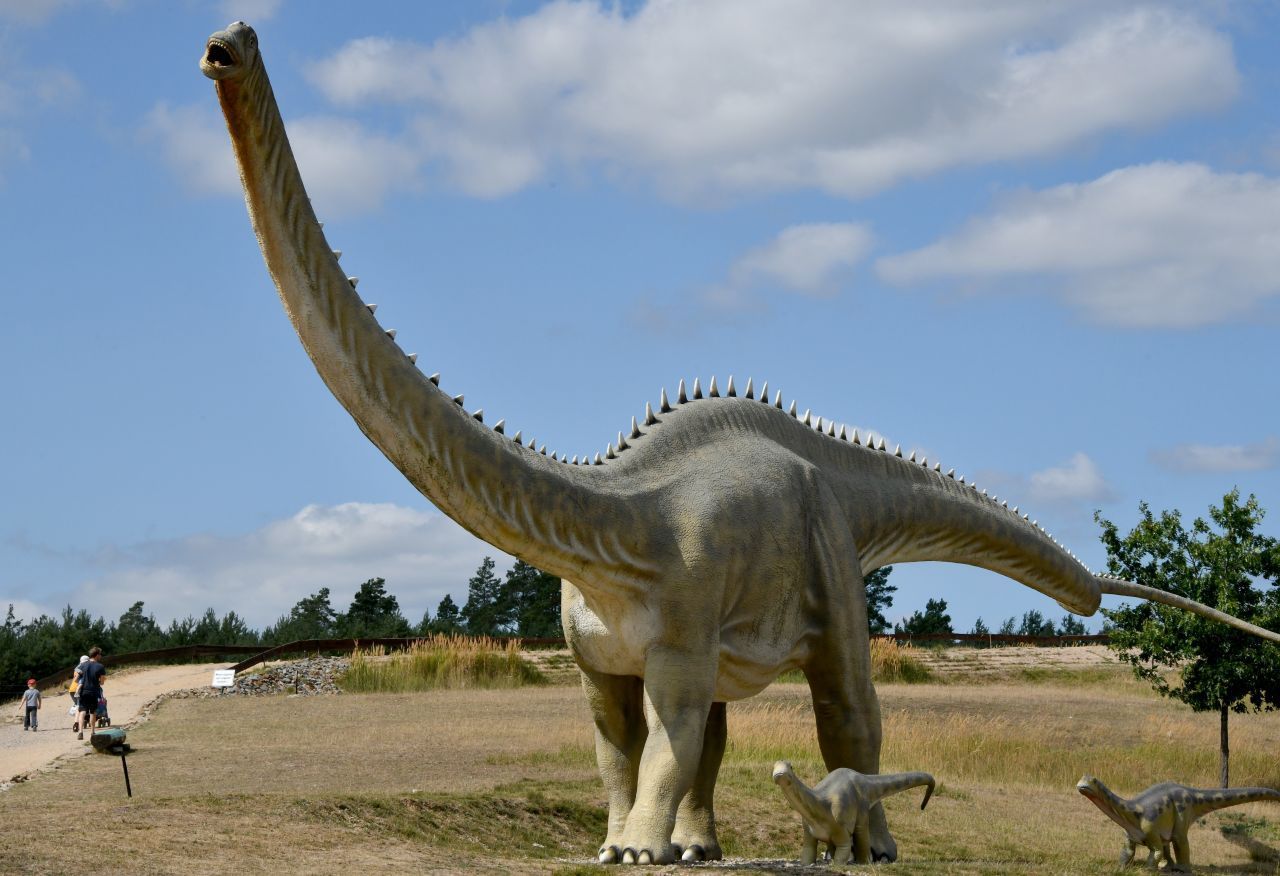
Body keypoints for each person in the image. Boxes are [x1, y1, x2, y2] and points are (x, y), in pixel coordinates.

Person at [75, 647, 107, 741]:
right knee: (93, 712)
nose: (101, 656)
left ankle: (80, 732)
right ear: (97, 655)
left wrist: (83, 682)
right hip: (94, 691)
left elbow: (76, 679)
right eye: (100, 654)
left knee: (82, 711)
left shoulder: (82, 665)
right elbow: (101, 682)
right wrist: (99, 681)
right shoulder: (100, 666)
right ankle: (92, 732)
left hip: (83, 691)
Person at [69, 654, 88, 732]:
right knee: (80, 707)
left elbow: (74, 679)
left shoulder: (77, 668)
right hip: (78, 689)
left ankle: (76, 722)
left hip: (72, 689)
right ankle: (78, 721)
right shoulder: (85, 668)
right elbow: (78, 679)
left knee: (78, 706)